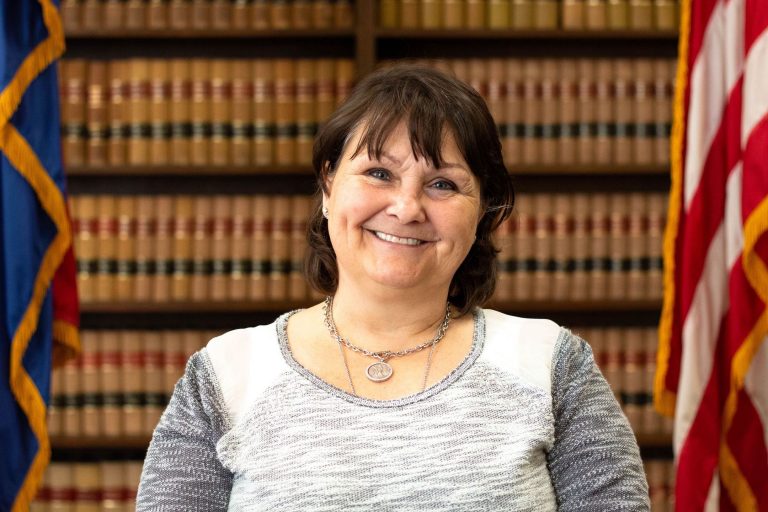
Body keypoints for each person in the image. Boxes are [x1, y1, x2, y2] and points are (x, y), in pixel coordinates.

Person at [137, 63, 649, 511]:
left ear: (482, 213)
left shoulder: (553, 366)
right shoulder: (224, 375)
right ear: (327, 186)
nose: (406, 208)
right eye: (379, 173)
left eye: (443, 184)